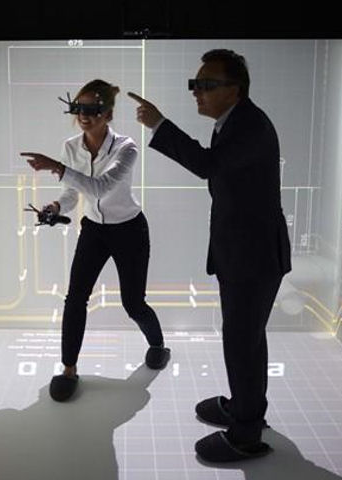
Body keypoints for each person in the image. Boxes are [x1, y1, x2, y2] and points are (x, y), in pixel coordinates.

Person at [128, 49, 291, 462]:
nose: (196, 92)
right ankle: (244, 407)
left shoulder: (249, 125)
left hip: (253, 257)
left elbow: (207, 165)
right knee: (245, 339)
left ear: (234, 90)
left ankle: (246, 435)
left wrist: (159, 124)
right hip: (243, 253)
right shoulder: (233, 122)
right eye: (194, 84)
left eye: (206, 85)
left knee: (242, 343)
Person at [21, 79, 171, 403]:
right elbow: (73, 193)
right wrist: (56, 206)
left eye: (92, 109)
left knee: (133, 303)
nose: (84, 116)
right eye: (78, 108)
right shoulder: (71, 146)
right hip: (94, 230)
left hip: (129, 230)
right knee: (75, 298)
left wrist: (58, 168)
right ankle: (68, 369)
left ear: (109, 114)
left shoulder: (126, 148)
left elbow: (101, 187)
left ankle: (158, 345)